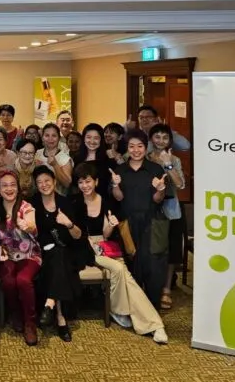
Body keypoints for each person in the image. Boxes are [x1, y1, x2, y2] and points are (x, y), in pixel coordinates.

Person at [74, 163, 168, 344]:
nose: (84, 186)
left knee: (126, 277)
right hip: (84, 249)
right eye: (80, 182)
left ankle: (151, 323)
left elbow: (106, 234)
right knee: (119, 269)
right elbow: (77, 235)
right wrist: (92, 245)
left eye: (88, 181)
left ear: (96, 181)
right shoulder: (75, 202)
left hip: (105, 246)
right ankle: (149, 322)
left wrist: (110, 226)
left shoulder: (106, 201)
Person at [30, 165, 93, 342]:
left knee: (59, 257)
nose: (44, 185)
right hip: (43, 253)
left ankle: (50, 305)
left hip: (70, 251)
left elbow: (79, 235)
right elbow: (32, 233)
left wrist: (68, 223)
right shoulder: (32, 203)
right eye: (39, 182)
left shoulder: (65, 202)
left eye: (47, 181)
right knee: (57, 258)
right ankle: (60, 318)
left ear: (55, 181)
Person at [110, 132, 171, 308]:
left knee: (154, 265)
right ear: (127, 148)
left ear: (146, 147)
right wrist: (115, 184)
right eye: (131, 146)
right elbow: (119, 198)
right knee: (130, 263)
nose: (136, 150)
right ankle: (133, 307)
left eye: (140, 146)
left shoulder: (155, 169)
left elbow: (157, 200)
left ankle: (152, 306)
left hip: (153, 223)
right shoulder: (119, 171)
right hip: (127, 223)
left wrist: (160, 189)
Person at [0, 169, 40, 346]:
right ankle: (15, 314)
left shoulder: (25, 207)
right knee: (8, 282)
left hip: (29, 254)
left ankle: (30, 323)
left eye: (12, 185)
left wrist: (28, 227)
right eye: (4, 185)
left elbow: (33, 227)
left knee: (22, 280)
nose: (9, 188)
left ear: (18, 188)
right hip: (6, 256)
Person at [148, 124, 186, 311]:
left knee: (170, 250)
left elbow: (180, 184)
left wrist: (168, 164)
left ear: (169, 141)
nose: (161, 141)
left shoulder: (175, 159)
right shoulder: (144, 156)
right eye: (157, 137)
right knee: (151, 248)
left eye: (165, 137)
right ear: (151, 139)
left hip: (170, 209)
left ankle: (166, 289)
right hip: (148, 207)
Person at [72, 123, 117, 195]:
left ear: (101, 140)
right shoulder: (77, 158)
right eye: (89, 137)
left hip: (103, 200)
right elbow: (74, 182)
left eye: (96, 138)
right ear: (83, 138)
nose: (92, 141)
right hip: (82, 200)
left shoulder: (108, 157)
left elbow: (113, 182)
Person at [125, 105, 191, 152]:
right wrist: (126, 128)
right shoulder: (135, 134)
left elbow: (186, 146)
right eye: (141, 117)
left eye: (148, 117)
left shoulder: (164, 135)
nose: (144, 120)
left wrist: (165, 129)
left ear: (156, 119)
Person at [36, 123, 73, 192]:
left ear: (59, 138)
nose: (50, 139)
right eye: (47, 135)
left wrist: (55, 165)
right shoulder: (37, 153)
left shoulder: (65, 158)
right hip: (38, 197)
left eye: (54, 135)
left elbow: (67, 184)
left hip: (58, 199)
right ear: (42, 138)